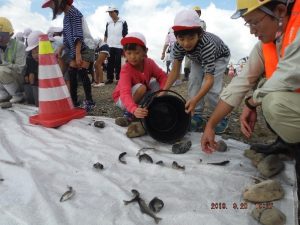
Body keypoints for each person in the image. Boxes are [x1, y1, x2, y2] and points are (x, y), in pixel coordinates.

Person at [201, 0, 300, 156]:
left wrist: (251, 102)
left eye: (254, 23)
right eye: (248, 24)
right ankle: (287, 143)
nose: (252, 32)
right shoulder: (265, 45)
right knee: (265, 89)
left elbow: (289, 75)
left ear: (280, 11)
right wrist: (211, 125)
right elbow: (240, 83)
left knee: (273, 101)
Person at [163, 9, 231, 134]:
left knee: (212, 90)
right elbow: (174, 72)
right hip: (197, 58)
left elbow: (209, 80)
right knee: (193, 81)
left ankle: (221, 116)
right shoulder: (178, 46)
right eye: (181, 38)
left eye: (191, 38)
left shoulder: (207, 44)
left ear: (199, 34)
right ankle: (197, 115)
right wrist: (163, 92)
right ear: (176, 37)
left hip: (219, 57)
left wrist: (194, 99)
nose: (186, 43)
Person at [42, 0, 96, 112]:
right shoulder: (66, 17)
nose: (52, 8)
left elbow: (78, 35)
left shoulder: (74, 13)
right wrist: (60, 48)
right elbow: (66, 38)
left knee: (82, 71)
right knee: (72, 72)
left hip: (85, 46)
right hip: (75, 48)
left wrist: (77, 54)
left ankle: (90, 101)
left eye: (52, 5)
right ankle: (73, 101)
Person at [112, 32, 167, 126]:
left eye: (137, 53)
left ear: (145, 52)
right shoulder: (126, 69)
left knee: (156, 83)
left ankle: (150, 107)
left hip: (140, 95)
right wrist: (133, 109)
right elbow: (125, 92)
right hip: (123, 99)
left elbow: (163, 77)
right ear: (124, 53)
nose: (133, 57)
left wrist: (163, 93)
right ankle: (129, 114)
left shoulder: (150, 63)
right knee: (142, 87)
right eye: (129, 53)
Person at [0, 17, 26, 103]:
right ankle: (3, 93)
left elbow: (20, 69)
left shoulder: (19, 46)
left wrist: (3, 63)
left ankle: (17, 95)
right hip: (6, 79)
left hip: (19, 80)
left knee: (1, 70)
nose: (0, 38)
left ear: (11, 34)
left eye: (2, 35)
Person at [104, 6, 128, 84]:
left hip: (119, 46)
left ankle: (118, 79)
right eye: (109, 13)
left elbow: (125, 35)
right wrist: (105, 45)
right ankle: (110, 78)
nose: (110, 14)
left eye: (111, 12)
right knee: (109, 63)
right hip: (109, 45)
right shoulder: (108, 22)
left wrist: (125, 47)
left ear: (116, 12)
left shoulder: (123, 21)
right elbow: (106, 34)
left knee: (118, 63)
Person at [183, 6, 207, 81]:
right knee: (187, 59)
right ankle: (186, 75)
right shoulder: (187, 22)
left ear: (200, 14)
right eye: (195, 12)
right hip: (189, 43)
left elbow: (204, 32)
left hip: (199, 44)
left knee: (201, 59)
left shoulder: (202, 22)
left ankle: (201, 75)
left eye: (198, 12)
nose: (197, 13)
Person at [23, 30, 43, 106]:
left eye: (37, 52)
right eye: (33, 53)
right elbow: (31, 74)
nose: (35, 55)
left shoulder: (51, 62)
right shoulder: (32, 60)